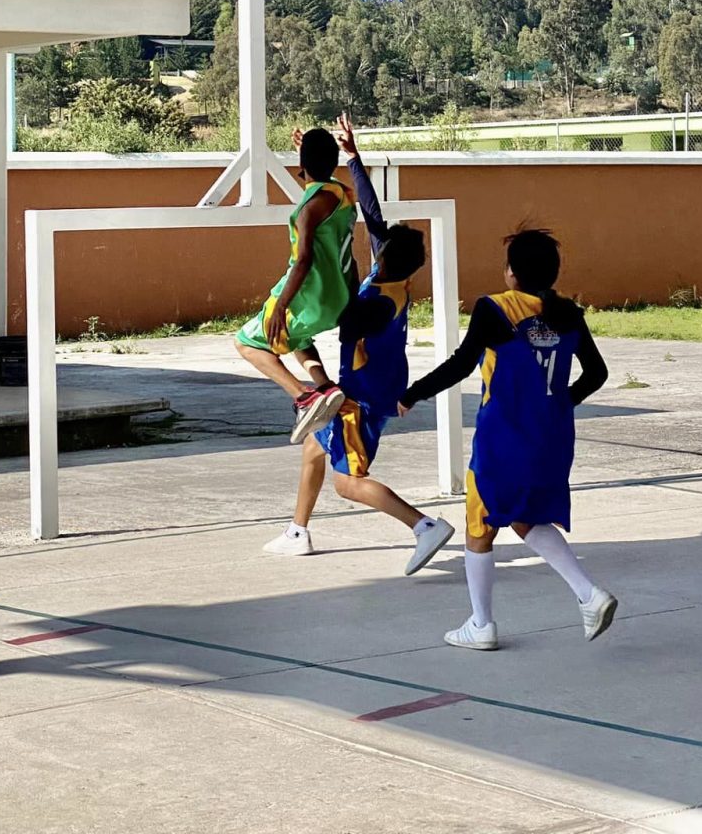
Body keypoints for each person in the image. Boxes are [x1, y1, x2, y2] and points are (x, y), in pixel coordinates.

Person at [398, 228, 614, 652]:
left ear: (512, 273)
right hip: (552, 436)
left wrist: (413, 392)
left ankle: (482, 624)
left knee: (479, 528)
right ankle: (589, 595)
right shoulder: (569, 314)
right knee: (524, 517)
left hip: (504, 436)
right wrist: (558, 402)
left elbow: (462, 364)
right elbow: (597, 373)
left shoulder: (496, 308)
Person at [264, 117, 454, 574]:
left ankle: (424, 525)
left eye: (380, 248)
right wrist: (348, 159)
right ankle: (298, 531)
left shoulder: (375, 304)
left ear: (387, 260)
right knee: (314, 447)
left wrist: (295, 303)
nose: (375, 246)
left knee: (348, 482)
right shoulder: (393, 281)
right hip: (375, 387)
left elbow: (338, 309)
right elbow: (369, 210)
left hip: (363, 398)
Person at [234, 126, 357, 443]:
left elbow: (302, 261)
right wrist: (318, 154)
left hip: (307, 298)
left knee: (246, 343)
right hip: (338, 299)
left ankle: (303, 396)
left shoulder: (307, 210)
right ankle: (325, 386)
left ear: (302, 163)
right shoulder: (344, 195)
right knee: (297, 338)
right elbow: (325, 176)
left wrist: (281, 307)